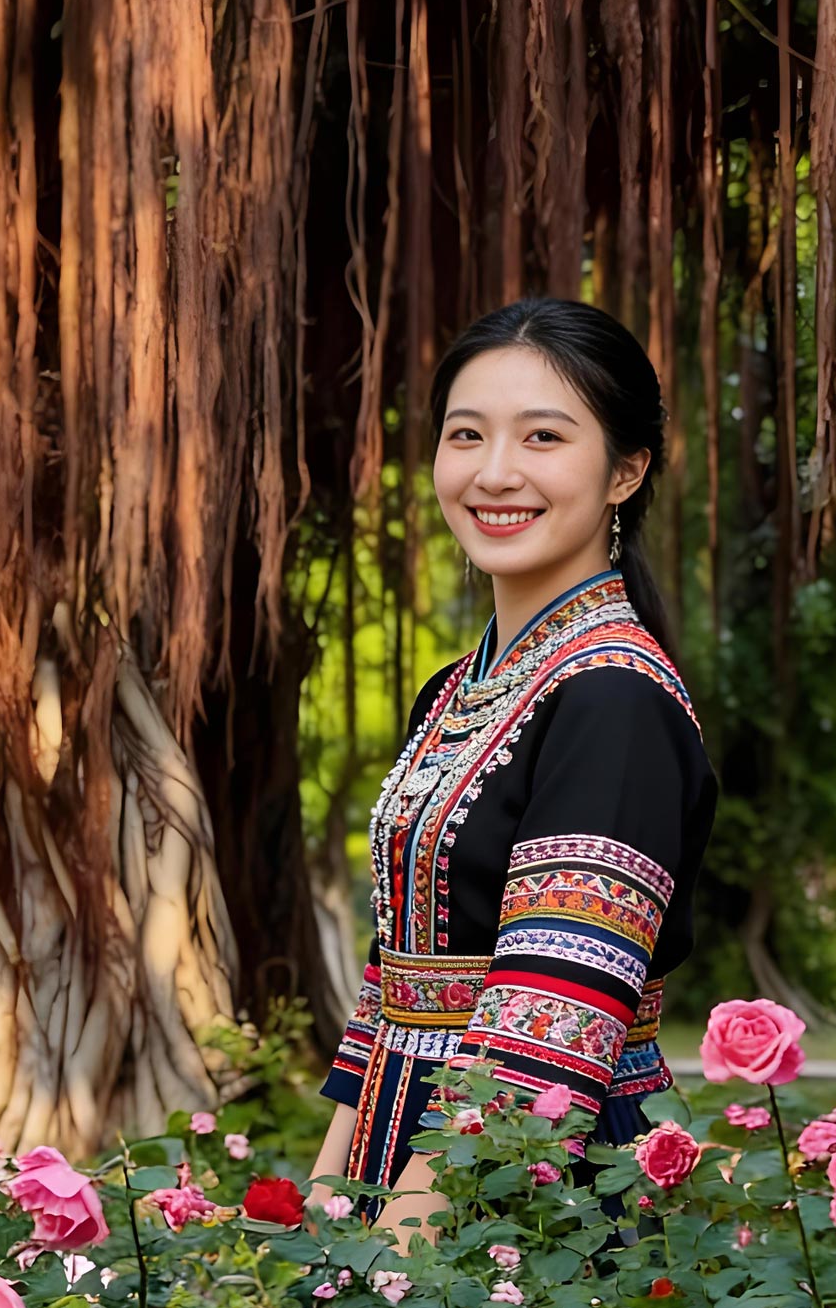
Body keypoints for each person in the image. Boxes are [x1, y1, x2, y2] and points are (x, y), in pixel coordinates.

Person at [306, 300, 718, 1251]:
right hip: (402, 1146)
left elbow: (553, 1021)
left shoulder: (615, 700)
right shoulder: (454, 690)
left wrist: (397, 1254)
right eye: (466, 435)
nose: (495, 473)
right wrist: (329, 1207)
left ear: (626, 470)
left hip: (534, 1183)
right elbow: (397, 975)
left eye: (543, 436)